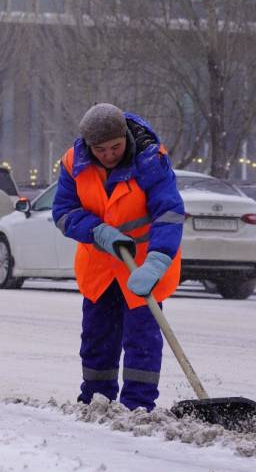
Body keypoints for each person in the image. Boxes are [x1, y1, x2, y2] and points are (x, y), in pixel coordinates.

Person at [52, 103, 185, 412]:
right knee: (97, 339)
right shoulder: (73, 163)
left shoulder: (151, 160)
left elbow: (169, 212)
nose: (109, 154)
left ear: (125, 136)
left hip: (143, 266)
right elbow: (62, 212)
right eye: (100, 149)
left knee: (142, 340)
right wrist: (97, 231)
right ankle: (96, 402)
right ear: (88, 145)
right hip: (100, 267)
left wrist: (158, 260)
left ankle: (137, 407)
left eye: (115, 146)